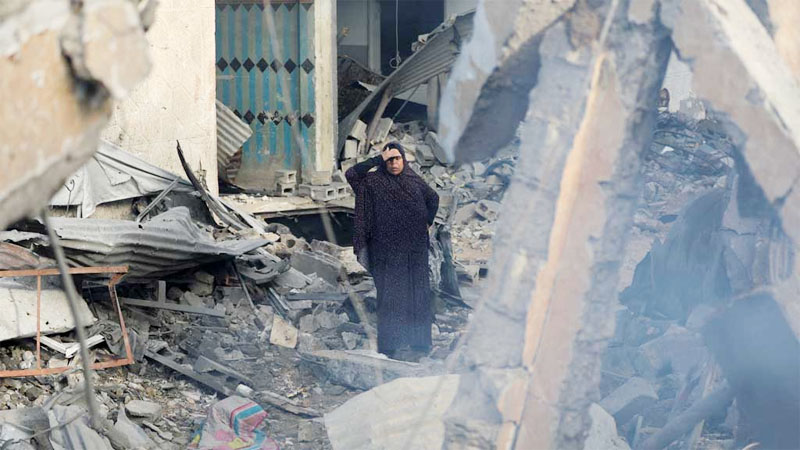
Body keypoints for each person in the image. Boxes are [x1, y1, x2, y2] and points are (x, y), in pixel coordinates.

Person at [346, 142, 439, 359]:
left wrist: (428, 221)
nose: (394, 163)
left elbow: (433, 198)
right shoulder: (374, 182)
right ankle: (390, 348)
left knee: (417, 295)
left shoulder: (412, 178)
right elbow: (351, 174)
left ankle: (419, 345)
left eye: (397, 158)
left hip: (414, 250)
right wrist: (376, 160)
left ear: (404, 159)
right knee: (391, 297)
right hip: (387, 250)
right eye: (389, 160)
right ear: (384, 161)